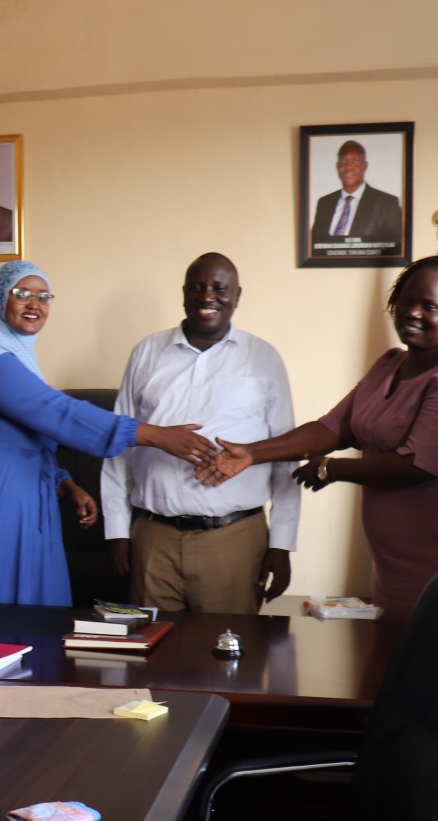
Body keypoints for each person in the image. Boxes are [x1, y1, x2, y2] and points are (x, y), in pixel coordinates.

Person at [200, 256, 438, 618]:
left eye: (430, 306)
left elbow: (415, 465)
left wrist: (331, 469)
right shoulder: (389, 364)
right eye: (407, 300)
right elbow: (332, 428)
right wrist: (251, 452)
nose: (413, 312)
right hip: (393, 563)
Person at [0, 260, 208, 606]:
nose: (34, 304)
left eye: (43, 296)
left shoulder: (16, 357)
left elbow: (21, 440)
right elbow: (56, 413)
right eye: (22, 294)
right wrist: (155, 435)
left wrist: (64, 484)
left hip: (9, 516)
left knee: (24, 629)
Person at [101, 253, 300, 613]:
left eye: (219, 289)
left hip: (234, 541)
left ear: (237, 296)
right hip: (153, 539)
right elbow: (120, 443)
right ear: (184, 294)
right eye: (197, 287)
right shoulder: (147, 352)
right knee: (153, 646)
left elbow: (285, 454)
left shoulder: (264, 358)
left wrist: (281, 544)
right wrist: (116, 531)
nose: (208, 297)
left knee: (229, 646)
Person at [310, 140, 402, 251]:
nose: (348, 166)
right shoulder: (324, 203)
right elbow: (314, 246)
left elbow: (397, 248)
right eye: (343, 161)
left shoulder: (387, 203)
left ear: (365, 166)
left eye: (355, 161)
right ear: (337, 166)